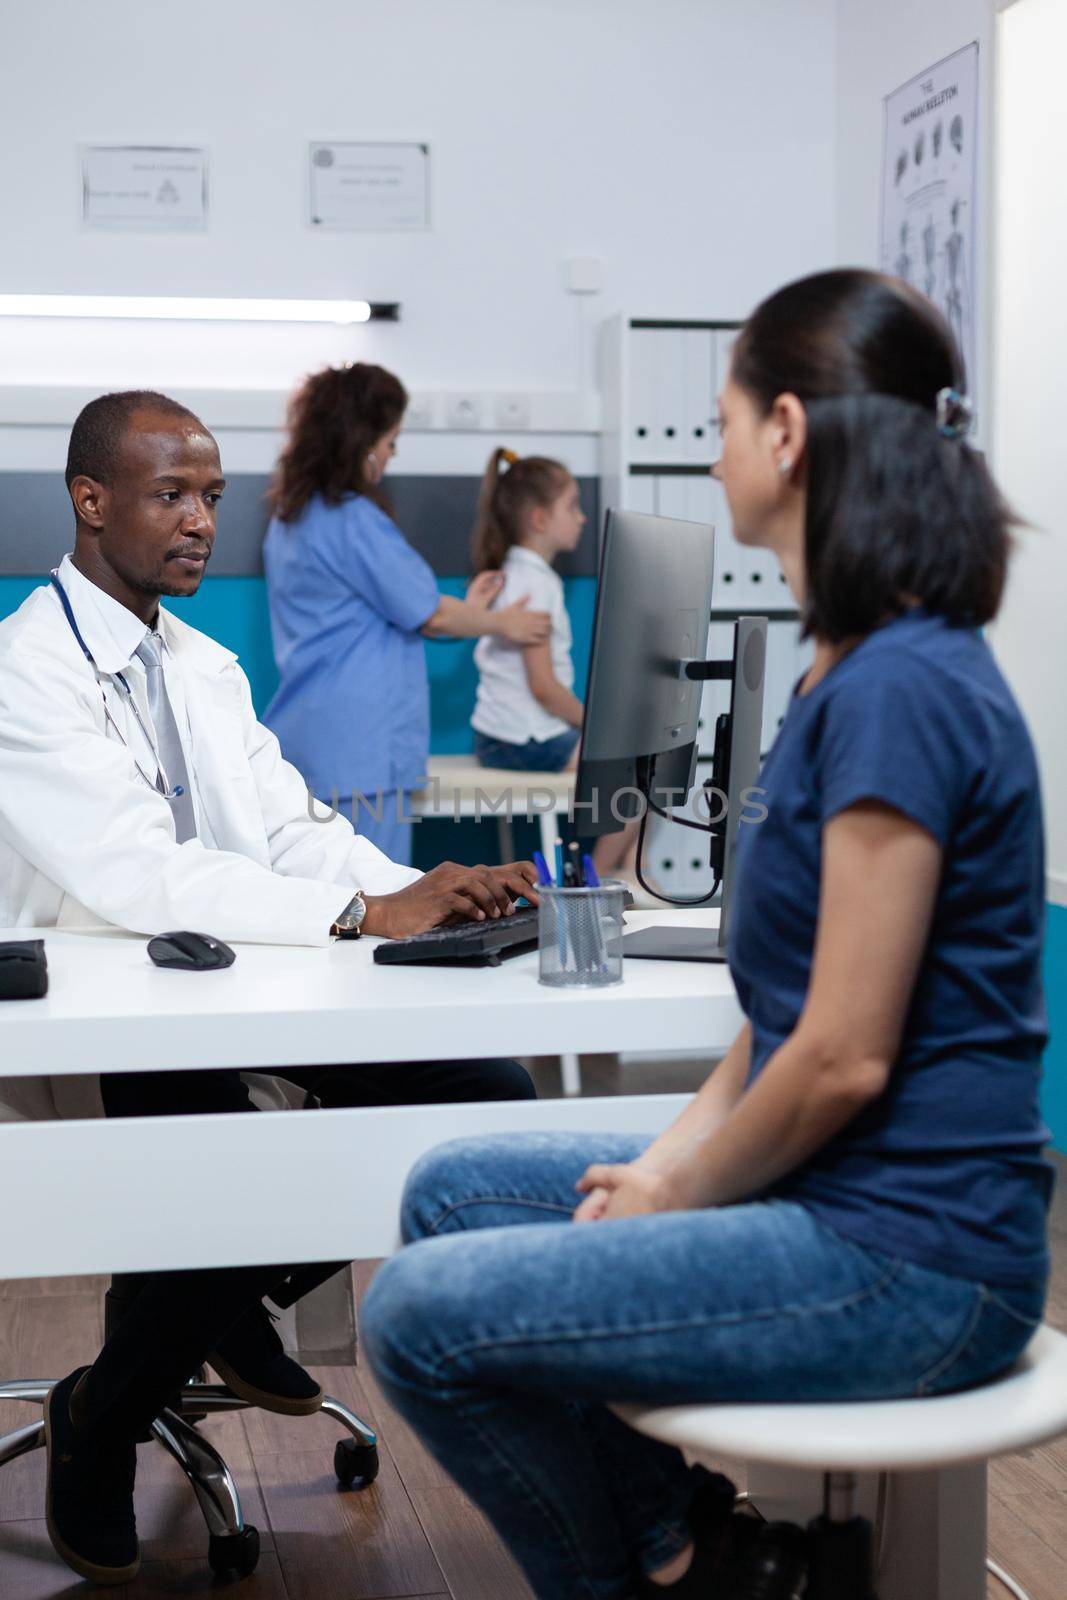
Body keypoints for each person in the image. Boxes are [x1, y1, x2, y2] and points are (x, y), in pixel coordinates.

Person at [360, 269, 1052, 1600]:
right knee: (448, 1192)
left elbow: (842, 1057)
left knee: (412, 1319)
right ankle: (690, 1541)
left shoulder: (900, 684)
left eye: (727, 419)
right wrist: (675, 1156)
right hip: (847, 1190)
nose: (715, 448)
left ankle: (632, 1584)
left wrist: (675, 1186)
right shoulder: (840, 661)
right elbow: (783, 1017)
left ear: (784, 434)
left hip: (911, 1253)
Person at [0, 389, 540, 1586]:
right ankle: (103, 1414)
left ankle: (222, 1295)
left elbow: (294, 828)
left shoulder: (204, 664)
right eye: (171, 495)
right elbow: (134, 868)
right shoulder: (25, 668)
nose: (201, 521)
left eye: (212, 498)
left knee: (480, 1085)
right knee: (227, 1161)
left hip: (229, 993)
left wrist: (420, 888)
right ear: (90, 501)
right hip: (100, 1033)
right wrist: (356, 912)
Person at [262, 364, 552, 864]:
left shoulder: (291, 518)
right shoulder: (353, 519)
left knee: (325, 898)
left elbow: (383, 612)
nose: (391, 456)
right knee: (374, 900)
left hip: (315, 743)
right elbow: (430, 615)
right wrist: (504, 622)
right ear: (363, 441)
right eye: (391, 442)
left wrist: (472, 611)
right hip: (362, 755)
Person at [470, 447, 586, 772]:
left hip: (495, 739)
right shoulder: (537, 584)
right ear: (540, 519)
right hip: (526, 741)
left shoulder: (514, 571)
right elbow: (543, 688)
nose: (582, 517)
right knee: (626, 769)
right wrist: (594, 723)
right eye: (572, 506)